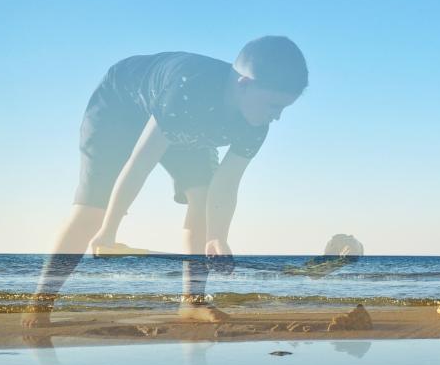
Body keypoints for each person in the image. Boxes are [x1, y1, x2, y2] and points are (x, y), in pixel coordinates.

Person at [22, 36, 308, 328]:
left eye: (283, 109)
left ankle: (192, 302)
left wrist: (217, 237)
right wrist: (109, 231)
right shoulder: (189, 89)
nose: (277, 118)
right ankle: (40, 302)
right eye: (273, 106)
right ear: (244, 84)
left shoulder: (255, 126)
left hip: (189, 126)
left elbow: (226, 185)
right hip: (120, 107)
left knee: (202, 196)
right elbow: (139, 164)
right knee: (92, 209)